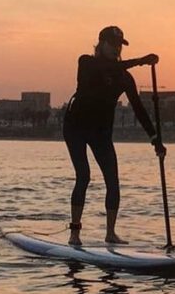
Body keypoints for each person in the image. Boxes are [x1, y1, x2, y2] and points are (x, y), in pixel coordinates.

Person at [63, 25, 165, 246]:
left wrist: (154, 138)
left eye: (119, 44)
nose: (116, 48)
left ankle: (110, 233)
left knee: (113, 181)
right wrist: (140, 61)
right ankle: (75, 234)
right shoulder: (87, 63)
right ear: (101, 43)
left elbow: (138, 108)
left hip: (101, 131)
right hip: (76, 127)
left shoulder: (124, 78)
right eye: (112, 43)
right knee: (84, 176)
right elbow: (105, 68)